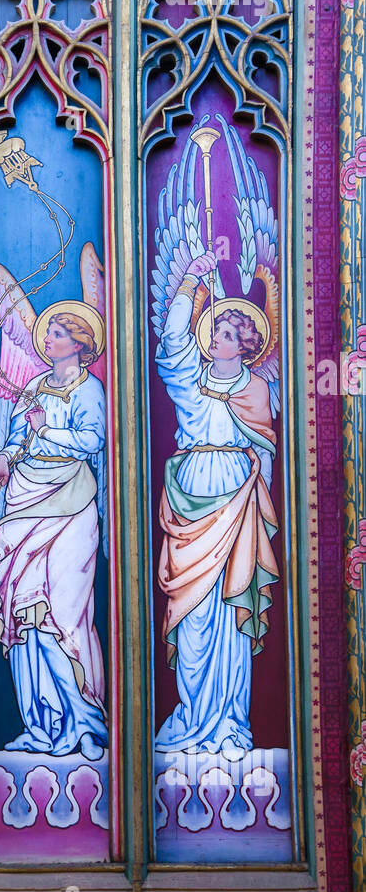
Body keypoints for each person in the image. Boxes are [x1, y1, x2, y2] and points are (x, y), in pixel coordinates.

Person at [155, 251, 279, 761]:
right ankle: (191, 716)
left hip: (236, 497)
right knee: (192, 614)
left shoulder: (255, 388)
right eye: (215, 332)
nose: (215, 340)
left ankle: (229, 722)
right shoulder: (191, 382)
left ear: (246, 347)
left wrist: (260, 509)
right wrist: (187, 283)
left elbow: (266, 449)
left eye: (227, 335)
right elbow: (172, 343)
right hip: (191, 498)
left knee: (230, 610)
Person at [0, 310, 108, 760]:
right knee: (27, 615)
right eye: (49, 332)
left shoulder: (89, 389)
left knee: (65, 614)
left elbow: (93, 440)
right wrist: (3, 456)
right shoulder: (36, 388)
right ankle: (43, 725)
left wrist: (46, 430)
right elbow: (17, 436)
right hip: (25, 499)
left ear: (78, 343)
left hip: (70, 504)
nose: (49, 339)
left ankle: (86, 722)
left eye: (58, 333)